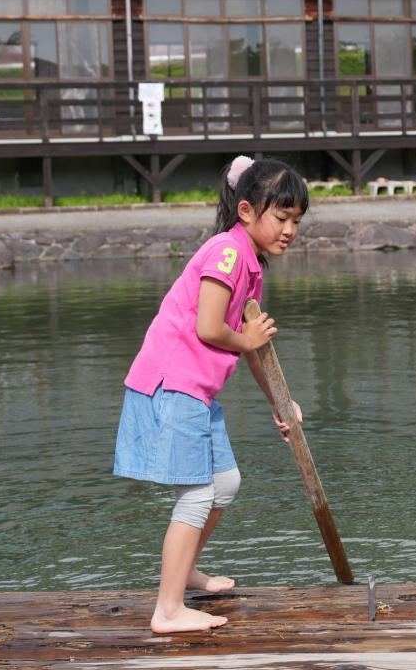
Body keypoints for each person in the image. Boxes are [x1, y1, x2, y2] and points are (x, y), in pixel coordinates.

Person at [114, 155, 308, 633]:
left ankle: (185, 574)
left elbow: (250, 347)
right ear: (246, 210)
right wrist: (247, 338)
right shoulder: (227, 253)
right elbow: (209, 327)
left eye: (297, 221)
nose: (289, 230)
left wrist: (281, 403)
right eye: (281, 218)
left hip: (196, 392)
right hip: (173, 385)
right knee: (199, 492)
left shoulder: (249, 264)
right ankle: (168, 609)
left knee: (224, 483)